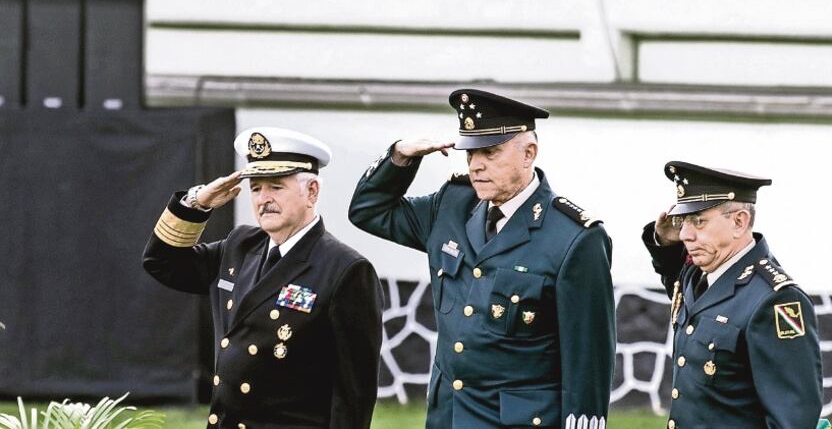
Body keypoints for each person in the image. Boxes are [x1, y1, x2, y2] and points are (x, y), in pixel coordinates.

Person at [348, 88, 615, 428]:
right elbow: (368, 211)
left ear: (528, 153)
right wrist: (399, 156)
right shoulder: (452, 206)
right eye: (470, 154)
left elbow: (588, 357)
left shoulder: (575, 237)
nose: (476, 165)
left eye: (490, 152)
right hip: (449, 416)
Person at [143, 126, 383, 429]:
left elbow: (353, 394)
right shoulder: (240, 245)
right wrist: (197, 204)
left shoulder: (346, 269)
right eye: (256, 188)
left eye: (276, 187)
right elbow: (162, 262)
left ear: (312, 192)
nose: (263, 199)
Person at [641, 161, 822, 427]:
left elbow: (793, 418)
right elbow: (683, 289)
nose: (685, 234)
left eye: (698, 221)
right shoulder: (700, 275)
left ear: (739, 222)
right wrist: (665, 244)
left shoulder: (775, 301)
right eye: (683, 221)